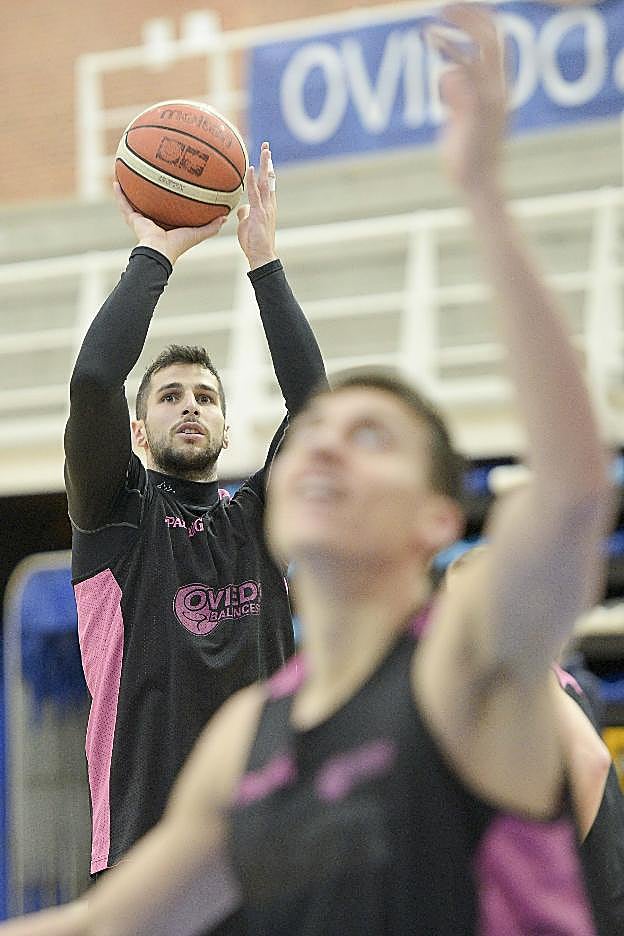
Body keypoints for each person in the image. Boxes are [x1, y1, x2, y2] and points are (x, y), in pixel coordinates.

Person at [0, 6, 613, 934]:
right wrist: (155, 251)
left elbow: (570, 498)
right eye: (317, 439)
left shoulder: (460, 655)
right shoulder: (254, 744)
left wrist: (484, 198)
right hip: (162, 846)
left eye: (370, 438)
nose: (323, 443)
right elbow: (101, 925)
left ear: (438, 519)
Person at [63, 139, 327, 882]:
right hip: (146, 854)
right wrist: (156, 253)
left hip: (265, 849)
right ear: (137, 431)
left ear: (226, 428)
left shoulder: (259, 520)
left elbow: (315, 406)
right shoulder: (114, 514)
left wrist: (264, 262)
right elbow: (94, 380)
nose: (190, 407)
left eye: (206, 397)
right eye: (170, 396)